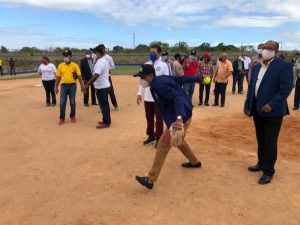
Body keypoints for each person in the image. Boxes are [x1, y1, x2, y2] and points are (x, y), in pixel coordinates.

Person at [134, 64, 202, 190]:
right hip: (184, 114)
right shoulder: (161, 79)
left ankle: (150, 179)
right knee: (178, 141)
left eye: (143, 77)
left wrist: (179, 119)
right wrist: (198, 78)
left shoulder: (160, 85)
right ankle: (194, 162)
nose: (141, 80)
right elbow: (180, 79)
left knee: (163, 146)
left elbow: (177, 98)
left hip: (181, 117)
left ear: (151, 75)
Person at [244, 40, 293, 185]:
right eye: (264, 47)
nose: (266, 50)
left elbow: (286, 88)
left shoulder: (284, 66)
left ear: (276, 51)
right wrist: (248, 105)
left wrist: (272, 104)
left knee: (270, 141)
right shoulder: (258, 66)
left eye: (269, 48)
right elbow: (252, 87)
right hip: (257, 109)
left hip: (273, 111)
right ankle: (260, 163)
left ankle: (268, 171)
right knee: (261, 138)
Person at [137, 44, 170, 146]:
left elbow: (167, 81)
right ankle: (151, 137)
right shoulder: (146, 64)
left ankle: (159, 139)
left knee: (159, 119)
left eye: (154, 53)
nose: (151, 54)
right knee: (149, 118)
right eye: (150, 52)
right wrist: (139, 93)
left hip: (159, 98)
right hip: (148, 97)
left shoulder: (164, 65)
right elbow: (143, 81)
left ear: (159, 53)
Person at [84, 45, 111, 129]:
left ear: (98, 53)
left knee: (104, 105)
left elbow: (96, 75)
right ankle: (106, 120)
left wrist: (87, 84)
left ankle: (106, 122)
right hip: (102, 86)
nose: (93, 54)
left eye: (94, 52)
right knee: (103, 105)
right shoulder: (100, 60)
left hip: (102, 87)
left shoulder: (100, 62)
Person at [55, 50, 84, 125]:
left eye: (67, 55)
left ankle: (72, 116)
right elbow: (58, 77)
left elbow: (79, 77)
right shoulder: (60, 65)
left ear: (71, 56)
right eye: (64, 55)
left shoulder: (75, 65)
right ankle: (62, 118)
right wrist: (56, 87)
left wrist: (82, 86)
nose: (65, 57)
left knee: (72, 102)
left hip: (72, 86)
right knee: (62, 103)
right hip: (63, 86)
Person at [99, 44, 119, 111]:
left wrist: (107, 69)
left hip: (107, 77)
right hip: (100, 78)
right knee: (101, 93)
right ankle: (102, 108)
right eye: (100, 49)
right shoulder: (98, 57)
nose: (102, 50)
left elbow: (113, 66)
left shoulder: (109, 57)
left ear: (104, 49)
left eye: (102, 49)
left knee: (111, 92)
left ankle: (115, 105)